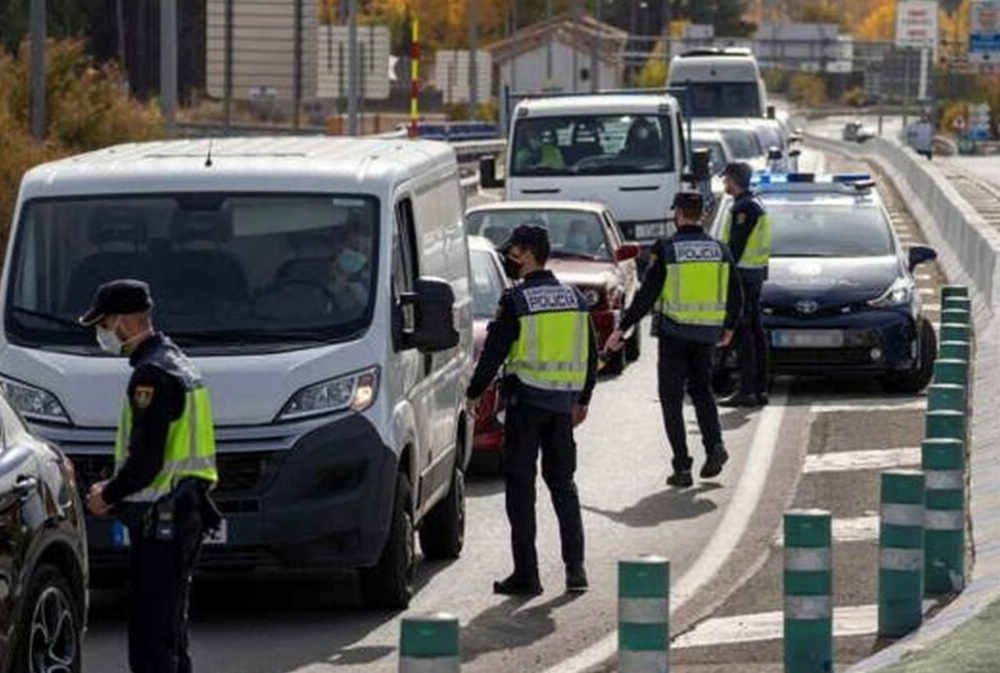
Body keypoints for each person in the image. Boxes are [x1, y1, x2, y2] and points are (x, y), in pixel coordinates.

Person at [82, 279, 220, 673]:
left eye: (103, 323)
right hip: (183, 512)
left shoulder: (151, 375)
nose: (101, 333)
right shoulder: (178, 361)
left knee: (150, 641)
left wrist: (108, 493)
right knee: (170, 632)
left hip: (164, 521)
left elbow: (147, 460)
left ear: (123, 321)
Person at [466, 224, 598, 595]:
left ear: (526, 254)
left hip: (525, 408)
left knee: (521, 492)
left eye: (512, 253)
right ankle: (576, 570)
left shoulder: (516, 300)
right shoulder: (574, 297)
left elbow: (494, 351)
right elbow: (590, 352)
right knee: (563, 487)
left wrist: (474, 393)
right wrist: (584, 398)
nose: (509, 259)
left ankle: (528, 575)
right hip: (562, 410)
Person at [606, 191, 742, 488]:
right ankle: (714, 445)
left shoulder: (668, 249)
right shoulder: (720, 249)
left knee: (671, 400)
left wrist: (623, 329)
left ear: (678, 214)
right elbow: (736, 293)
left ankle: (682, 467)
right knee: (703, 391)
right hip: (707, 335)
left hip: (674, 335)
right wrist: (729, 327)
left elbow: (646, 295)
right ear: (702, 215)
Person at [718, 161, 771, 408]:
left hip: (742, 276)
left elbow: (734, 248)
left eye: (726, 179)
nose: (724, 183)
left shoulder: (744, 208)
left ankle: (747, 390)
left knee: (744, 335)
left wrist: (723, 273)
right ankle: (759, 388)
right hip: (754, 275)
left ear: (735, 179)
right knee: (756, 334)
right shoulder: (754, 203)